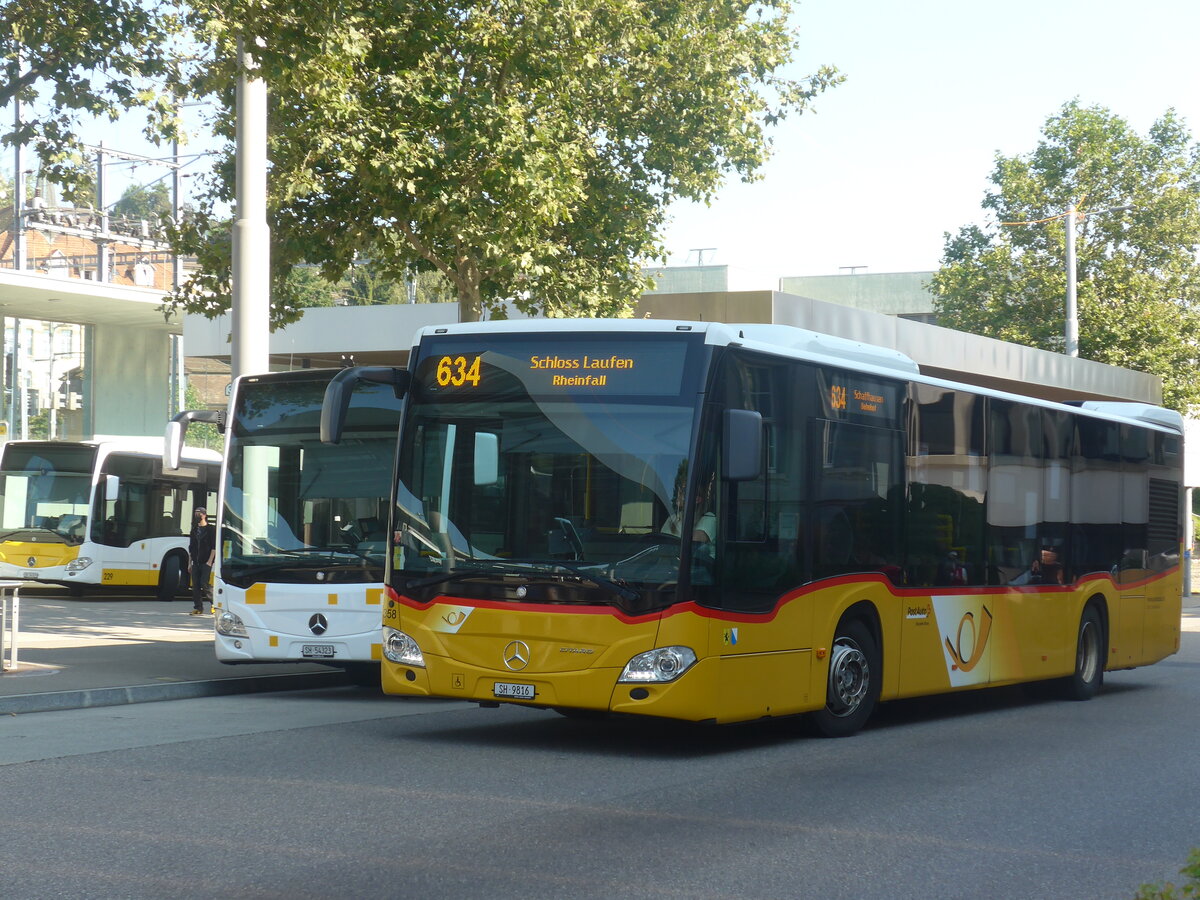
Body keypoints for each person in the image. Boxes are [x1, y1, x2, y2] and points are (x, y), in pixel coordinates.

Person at [188, 507, 216, 615]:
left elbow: (214, 547)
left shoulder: (211, 529)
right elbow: (191, 547)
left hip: (206, 562)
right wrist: (189, 563)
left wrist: (210, 561)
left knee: (204, 583)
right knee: (195, 585)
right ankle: (198, 608)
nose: (197, 516)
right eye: (195, 513)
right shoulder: (194, 530)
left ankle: (214, 604)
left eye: (198, 514)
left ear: (204, 515)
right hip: (196, 562)